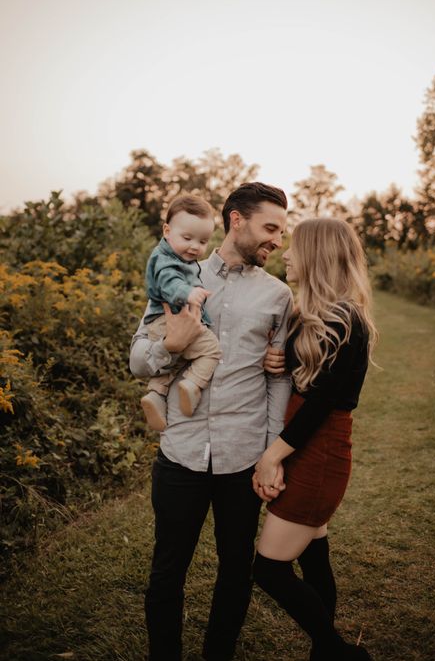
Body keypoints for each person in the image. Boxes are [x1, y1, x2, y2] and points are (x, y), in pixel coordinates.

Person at [129, 183, 294, 661]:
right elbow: (139, 359)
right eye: (269, 228)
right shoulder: (178, 271)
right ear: (236, 220)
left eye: (281, 232)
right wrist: (170, 347)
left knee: (236, 570)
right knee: (167, 570)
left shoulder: (279, 296)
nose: (276, 240)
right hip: (180, 454)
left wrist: (270, 453)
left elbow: (276, 382)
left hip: (243, 458)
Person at [252, 218, 378, 661]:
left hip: (319, 449)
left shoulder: (346, 320)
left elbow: (321, 404)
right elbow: (304, 379)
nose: (285, 254)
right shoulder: (318, 315)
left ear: (317, 255)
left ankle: (337, 651)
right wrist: (280, 359)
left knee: (268, 569)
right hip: (310, 445)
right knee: (315, 553)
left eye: (295, 247)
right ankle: (327, 652)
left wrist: (272, 457)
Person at [140, 194, 221, 431]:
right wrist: (187, 293)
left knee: (174, 359)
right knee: (211, 350)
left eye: (203, 241)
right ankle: (193, 384)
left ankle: (156, 394)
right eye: (187, 238)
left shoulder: (177, 256)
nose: (195, 246)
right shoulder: (165, 259)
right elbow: (169, 281)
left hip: (161, 324)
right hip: (171, 319)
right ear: (167, 231)